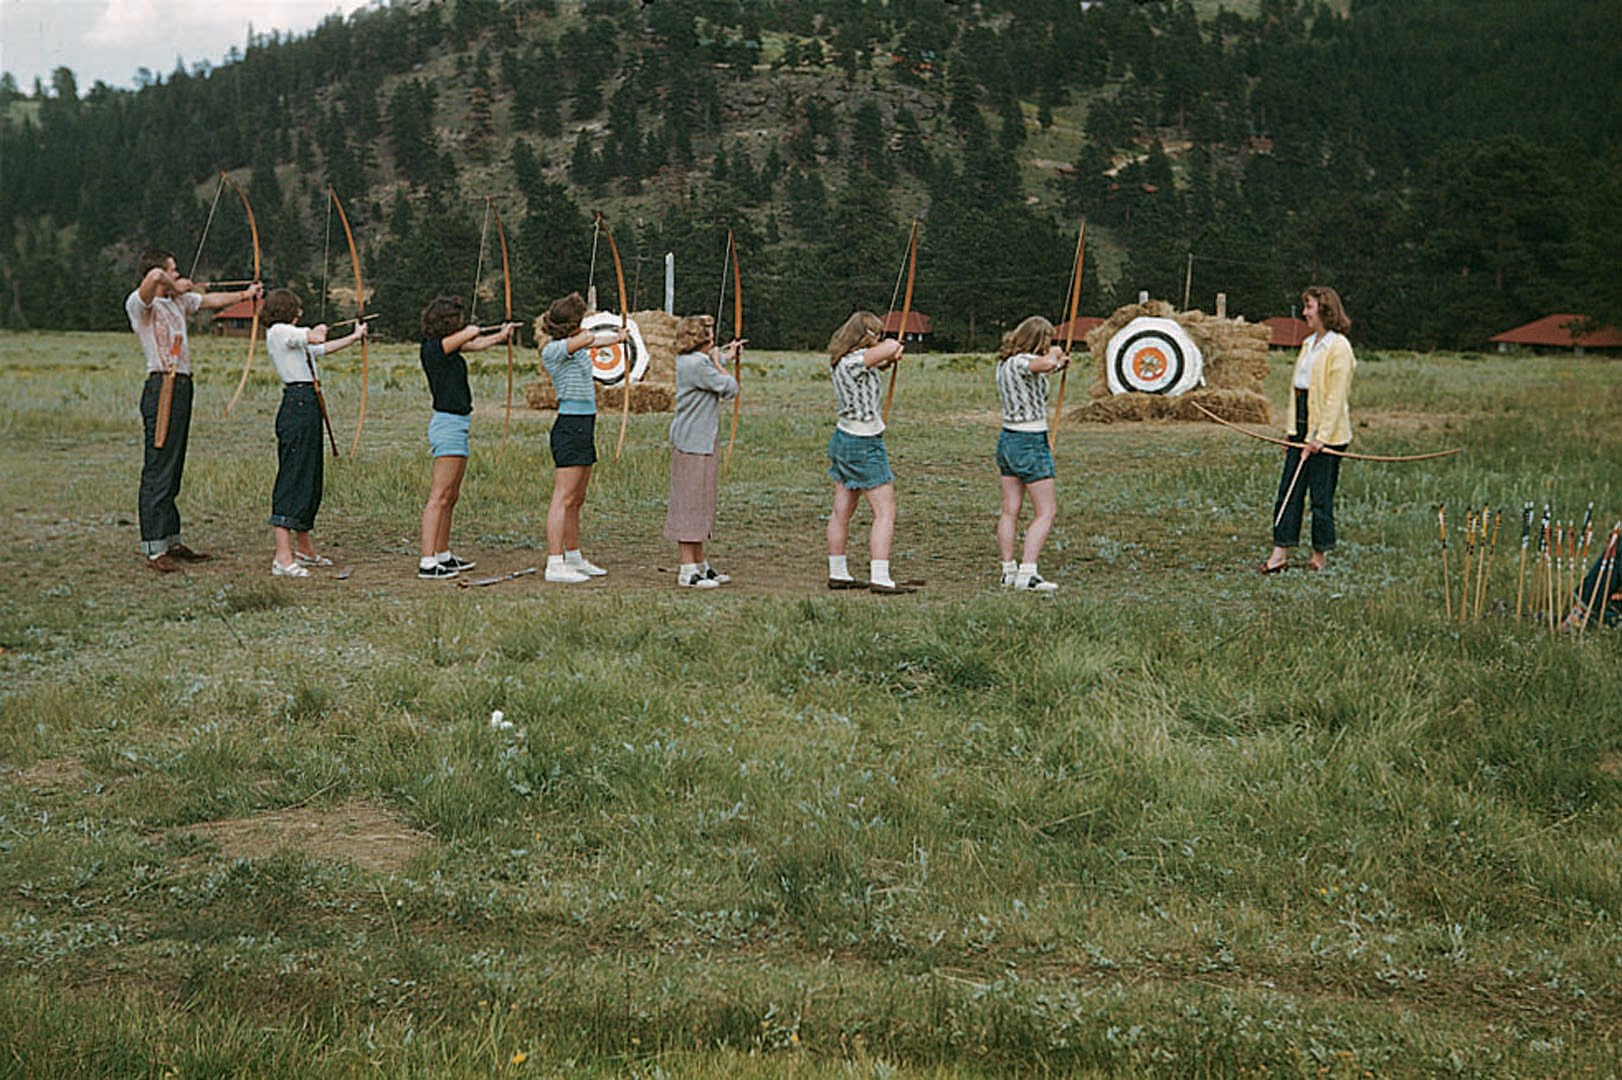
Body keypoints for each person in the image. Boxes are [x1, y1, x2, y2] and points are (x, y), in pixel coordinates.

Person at [126, 248, 262, 572]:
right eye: (173, 269)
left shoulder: (179, 302)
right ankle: (154, 548)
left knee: (173, 465)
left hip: (183, 386)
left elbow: (212, 301)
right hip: (162, 386)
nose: (176, 274)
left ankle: (170, 539)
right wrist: (175, 285)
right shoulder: (141, 303)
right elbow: (155, 279)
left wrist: (246, 294)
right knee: (159, 463)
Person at [262, 288, 367, 577]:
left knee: (309, 474)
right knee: (293, 475)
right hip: (297, 404)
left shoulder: (292, 336)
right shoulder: (281, 331)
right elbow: (317, 338)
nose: (301, 312)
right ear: (287, 310)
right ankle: (282, 558)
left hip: (307, 403)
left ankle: (304, 549)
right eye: (297, 308)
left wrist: (354, 337)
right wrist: (318, 328)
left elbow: (320, 349)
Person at [416, 295, 515, 580]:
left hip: (457, 424)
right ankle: (427, 561)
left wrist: (500, 335)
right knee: (439, 496)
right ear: (448, 324)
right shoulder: (434, 349)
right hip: (447, 425)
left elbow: (476, 342)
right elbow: (470, 334)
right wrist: (473, 328)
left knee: (451, 495)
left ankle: (443, 555)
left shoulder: (449, 348)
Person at [1260, 286, 1356, 574]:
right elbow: (1297, 392)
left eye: (1309, 307)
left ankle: (1319, 557)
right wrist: (1293, 433)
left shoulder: (1339, 347)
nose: (1304, 313)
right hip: (1302, 428)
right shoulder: (1307, 344)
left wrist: (1320, 438)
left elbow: (1334, 398)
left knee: (1320, 498)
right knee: (1288, 490)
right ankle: (1280, 554)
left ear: (1325, 310)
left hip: (1328, 435)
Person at [536, 292, 626, 584]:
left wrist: (619, 336)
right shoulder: (554, 350)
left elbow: (593, 340)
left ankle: (573, 557)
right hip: (569, 426)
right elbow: (585, 340)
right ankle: (554, 562)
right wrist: (597, 334)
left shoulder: (575, 343)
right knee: (563, 497)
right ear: (572, 324)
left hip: (584, 425)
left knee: (576, 498)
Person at [824, 310, 909, 593]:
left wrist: (889, 357)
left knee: (842, 511)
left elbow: (877, 361)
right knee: (885, 511)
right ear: (865, 337)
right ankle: (880, 576)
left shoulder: (848, 362)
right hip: (863, 442)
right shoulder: (852, 362)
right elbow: (884, 350)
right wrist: (891, 346)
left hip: (845, 439)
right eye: (876, 334)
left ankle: (839, 573)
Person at [665, 314, 741, 589]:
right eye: (708, 333)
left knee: (700, 502)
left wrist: (726, 357)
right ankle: (687, 570)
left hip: (700, 442)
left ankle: (700, 564)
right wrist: (721, 363)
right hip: (693, 443)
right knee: (689, 503)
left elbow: (710, 371)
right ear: (701, 339)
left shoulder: (693, 361)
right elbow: (730, 388)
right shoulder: (696, 364)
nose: (712, 337)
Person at [995, 315, 1069, 592]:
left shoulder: (1005, 363)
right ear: (1038, 340)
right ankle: (1028, 573)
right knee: (1046, 510)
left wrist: (1058, 365)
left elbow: (1045, 369)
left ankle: (1008, 571)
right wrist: (1055, 356)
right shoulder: (1022, 362)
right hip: (1029, 441)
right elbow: (1045, 363)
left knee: (1010, 510)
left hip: (1008, 440)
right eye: (1047, 340)